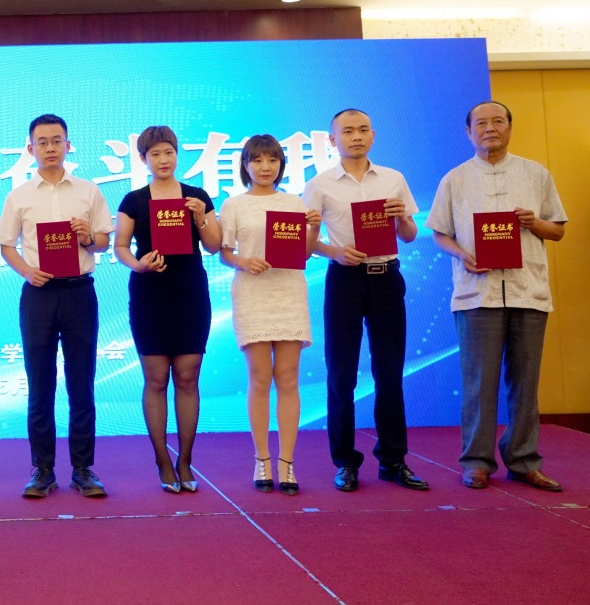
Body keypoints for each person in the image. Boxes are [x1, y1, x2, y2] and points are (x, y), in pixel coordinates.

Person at [426, 101, 567, 492]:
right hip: (477, 294)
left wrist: (534, 222)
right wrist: (462, 255)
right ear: (468, 132)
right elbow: (439, 233)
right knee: (478, 383)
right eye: (481, 123)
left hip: (528, 292)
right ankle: (476, 461)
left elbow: (557, 230)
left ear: (510, 127)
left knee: (526, 383)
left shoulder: (536, 174)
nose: (490, 128)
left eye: (498, 121)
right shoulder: (454, 179)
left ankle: (523, 460)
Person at [303, 110, 428, 492]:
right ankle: (345, 462)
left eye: (362, 130)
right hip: (344, 279)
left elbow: (409, 234)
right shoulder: (319, 184)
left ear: (373, 135)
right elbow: (306, 245)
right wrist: (335, 252)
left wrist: (401, 218)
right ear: (332, 140)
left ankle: (393, 459)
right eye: (347, 131)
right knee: (341, 373)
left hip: (386, 277)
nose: (355, 136)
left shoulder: (393, 179)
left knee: (389, 372)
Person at [0, 113, 114, 499]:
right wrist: (27, 271)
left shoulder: (88, 191)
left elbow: (103, 242)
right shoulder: (19, 196)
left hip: (79, 292)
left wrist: (88, 238)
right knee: (40, 384)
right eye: (42, 142)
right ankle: (42, 469)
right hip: (39, 295)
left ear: (68, 145)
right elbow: (6, 245)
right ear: (30, 148)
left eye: (57, 140)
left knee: (82, 383)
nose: (50, 148)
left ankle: (83, 469)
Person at [114, 125, 221, 494]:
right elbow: (120, 246)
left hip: (190, 294)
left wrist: (200, 217)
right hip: (150, 295)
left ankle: (185, 460)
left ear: (177, 154)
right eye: (155, 154)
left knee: (188, 378)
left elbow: (214, 245)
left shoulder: (197, 196)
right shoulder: (134, 200)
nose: (163, 160)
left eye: (169, 152)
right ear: (143, 159)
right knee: (156, 380)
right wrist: (138, 264)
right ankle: (162, 460)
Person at [218, 134, 321, 496]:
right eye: (257, 160)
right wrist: (244, 261)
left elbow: (303, 254)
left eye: (272, 160)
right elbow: (224, 253)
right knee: (260, 379)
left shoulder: (294, 202)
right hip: (252, 293)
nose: (265, 167)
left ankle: (287, 462)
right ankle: (261, 458)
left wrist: (314, 227)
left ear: (281, 164)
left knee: (288, 379)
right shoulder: (233, 204)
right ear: (245, 165)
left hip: (288, 292)